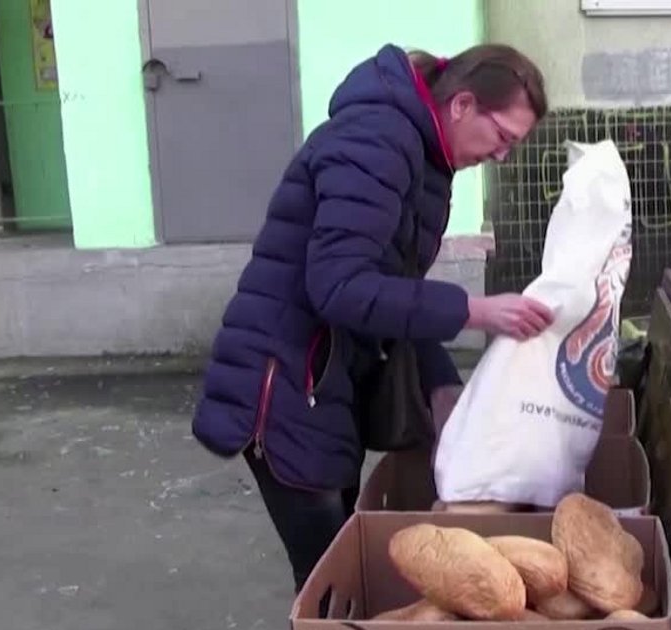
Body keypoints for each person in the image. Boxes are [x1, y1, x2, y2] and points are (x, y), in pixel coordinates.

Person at [190, 42, 554, 594]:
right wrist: (475, 311)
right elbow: (340, 287)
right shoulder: (377, 142)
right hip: (287, 384)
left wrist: (440, 383)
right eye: (502, 137)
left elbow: (392, 283)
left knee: (345, 565)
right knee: (329, 582)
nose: (502, 156)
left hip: (325, 379)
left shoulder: (420, 150)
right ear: (461, 105)